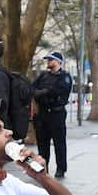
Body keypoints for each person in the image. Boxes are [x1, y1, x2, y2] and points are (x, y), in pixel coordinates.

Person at [31, 50, 72, 179]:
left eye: (51, 60)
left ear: (58, 62)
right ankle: (43, 167)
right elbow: (32, 88)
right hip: (43, 114)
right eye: (48, 60)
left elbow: (58, 90)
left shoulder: (65, 76)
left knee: (59, 143)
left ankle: (61, 169)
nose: (48, 62)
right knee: (42, 143)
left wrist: (42, 92)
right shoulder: (43, 76)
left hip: (57, 113)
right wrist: (41, 93)